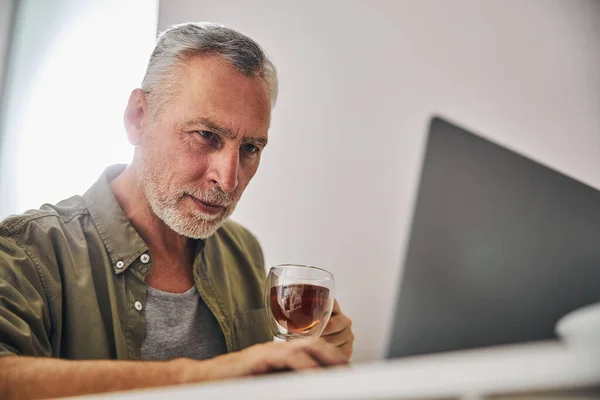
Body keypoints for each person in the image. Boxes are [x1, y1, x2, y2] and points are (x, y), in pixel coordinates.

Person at [0, 22, 354, 399]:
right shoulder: (27, 252)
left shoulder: (242, 252)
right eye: (206, 135)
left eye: (250, 148)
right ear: (138, 117)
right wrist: (196, 377)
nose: (228, 179)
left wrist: (309, 358)